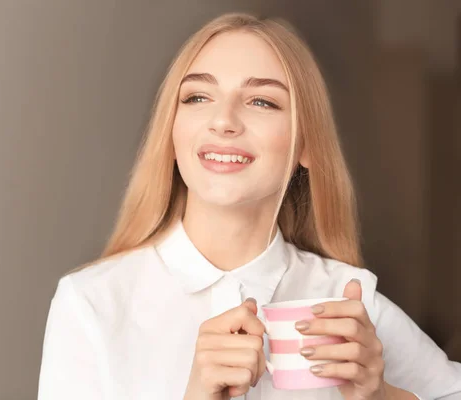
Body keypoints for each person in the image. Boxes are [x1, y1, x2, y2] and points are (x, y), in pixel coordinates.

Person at [37, 12, 461, 400]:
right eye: (198, 97)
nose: (223, 120)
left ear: (306, 145)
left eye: (262, 101)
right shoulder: (90, 304)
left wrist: (383, 395)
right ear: (171, 132)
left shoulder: (348, 303)